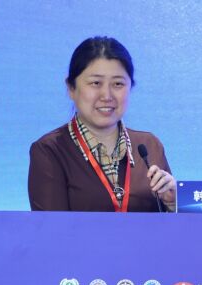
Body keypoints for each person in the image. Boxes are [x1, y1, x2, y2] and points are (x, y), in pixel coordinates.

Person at [28, 36, 176, 212]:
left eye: (118, 84)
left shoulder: (149, 146)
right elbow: (51, 227)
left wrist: (173, 204)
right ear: (71, 88)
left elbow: (175, 225)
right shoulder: (50, 151)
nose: (106, 95)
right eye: (96, 83)